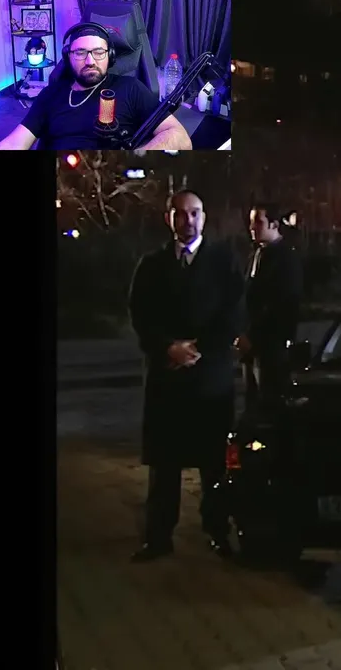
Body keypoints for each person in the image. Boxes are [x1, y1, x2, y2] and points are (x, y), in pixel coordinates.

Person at [128, 190, 245, 562]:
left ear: (204, 217)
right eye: (180, 213)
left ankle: (217, 531)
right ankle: (158, 537)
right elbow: (140, 315)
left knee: (213, 463)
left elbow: (234, 313)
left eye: (194, 213)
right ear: (169, 218)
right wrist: (168, 348)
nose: (188, 220)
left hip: (210, 380)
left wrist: (198, 349)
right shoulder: (151, 265)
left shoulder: (224, 262)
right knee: (164, 464)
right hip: (167, 379)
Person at [0, 22, 191, 151]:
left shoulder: (131, 88)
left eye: (98, 52)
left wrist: (137, 159)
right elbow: (15, 143)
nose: (90, 61)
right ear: (68, 57)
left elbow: (180, 137)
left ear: (110, 56)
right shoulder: (51, 94)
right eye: (80, 53)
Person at [240, 202, 304, 408]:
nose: (252, 227)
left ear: (274, 225)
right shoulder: (256, 254)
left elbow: (281, 305)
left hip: (271, 349)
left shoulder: (286, 259)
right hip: (251, 348)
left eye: (258, 222)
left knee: (269, 404)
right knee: (252, 403)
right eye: (251, 222)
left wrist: (253, 336)